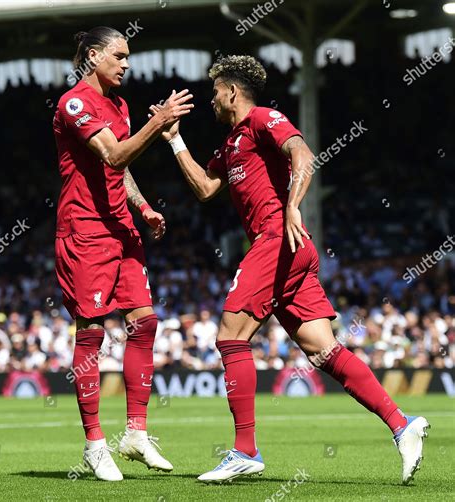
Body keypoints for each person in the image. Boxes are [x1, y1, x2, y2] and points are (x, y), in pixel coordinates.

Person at [149, 55, 429, 484]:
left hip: (279, 241)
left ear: (231, 92)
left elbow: (304, 154)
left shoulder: (264, 118)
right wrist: (174, 140)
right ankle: (401, 424)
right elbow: (206, 188)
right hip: (288, 252)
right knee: (323, 350)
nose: (210, 102)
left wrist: (293, 206)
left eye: (214, 93)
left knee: (229, 335)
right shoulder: (229, 145)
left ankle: (245, 450)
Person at [53, 26, 193, 481]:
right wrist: (160, 123)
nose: (127, 64)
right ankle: (95, 444)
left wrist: (144, 206)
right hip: (86, 232)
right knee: (91, 332)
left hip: (122, 227)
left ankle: (134, 432)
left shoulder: (120, 105)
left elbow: (121, 169)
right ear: (94, 56)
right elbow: (111, 156)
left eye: (128, 56)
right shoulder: (74, 103)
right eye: (120, 55)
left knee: (145, 322)